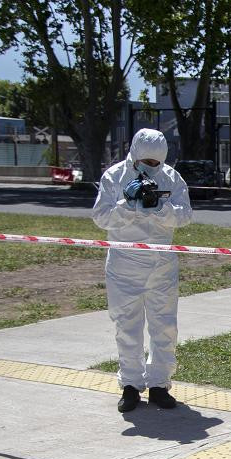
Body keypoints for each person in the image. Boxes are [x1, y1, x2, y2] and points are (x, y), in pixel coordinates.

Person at [91, 128, 193, 413]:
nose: (150, 168)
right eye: (145, 162)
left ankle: (159, 384)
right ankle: (131, 385)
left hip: (162, 265)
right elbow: (100, 217)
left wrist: (162, 207)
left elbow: (185, 216)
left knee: (165, 326)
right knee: (127, 327)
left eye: (155, 164)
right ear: (133, 155)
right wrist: (127, 205)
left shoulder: (172, 178)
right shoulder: (113, 176)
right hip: (124, 265)